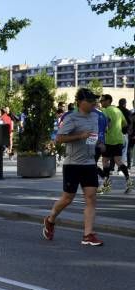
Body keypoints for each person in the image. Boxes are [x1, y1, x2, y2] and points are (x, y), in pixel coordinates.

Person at [43, 88, 104, 246]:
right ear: (80, 102)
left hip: (89, 163)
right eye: (90, 101)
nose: (93, 104)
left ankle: (88, 234)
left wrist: (100, 144)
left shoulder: (96, 117)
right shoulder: (71, 118)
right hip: (73, 164)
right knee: (67, 198)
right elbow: (59, 139)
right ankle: (50, 219)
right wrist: (79, 136)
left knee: (91, 197)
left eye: (94, 101)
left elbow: (94, 136)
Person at [98, 94, 131, 193]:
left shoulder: (105, 111)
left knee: (105, 161)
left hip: (109, 140)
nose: (101, 102)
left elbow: (106, 125)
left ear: (108, 101)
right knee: (118, 161)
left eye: (102, 100)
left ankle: (106, 185)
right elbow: (125, 124)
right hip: (119, 139)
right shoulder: (118, 110)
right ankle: (129, 180)